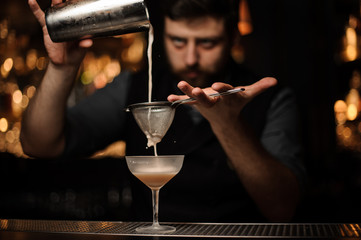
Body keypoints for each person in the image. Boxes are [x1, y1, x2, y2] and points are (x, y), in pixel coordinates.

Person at [21, 0, 306, 222]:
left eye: (207, 43)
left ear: (233, 38)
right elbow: (39, 145)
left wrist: (228, 123)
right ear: (162, 34)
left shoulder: (271, 100)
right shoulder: (134, 88)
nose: (191, 57)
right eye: (178, 41)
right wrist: (62, 68)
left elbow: (281, 208)